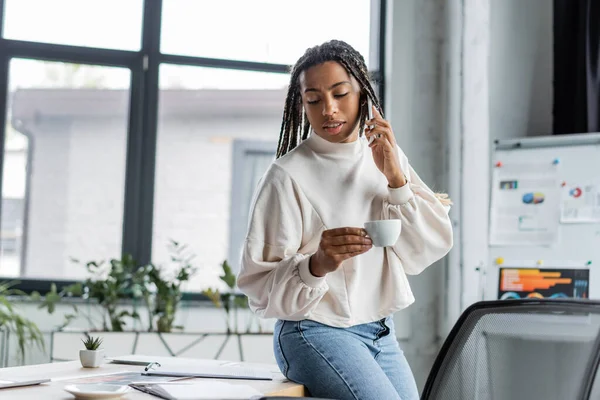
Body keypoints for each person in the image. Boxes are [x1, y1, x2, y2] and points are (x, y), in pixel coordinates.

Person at [237, 40, 453, 400]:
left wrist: (396, 180)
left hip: (381, 332)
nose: (329, 110)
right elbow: (258, 286)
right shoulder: (286, 175)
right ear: (301, 104)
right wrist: (317, 264)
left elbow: (427, 247)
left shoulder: (386, 156)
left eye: (340, 94)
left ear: (362, 93)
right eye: (314, 99)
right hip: (315, 332)